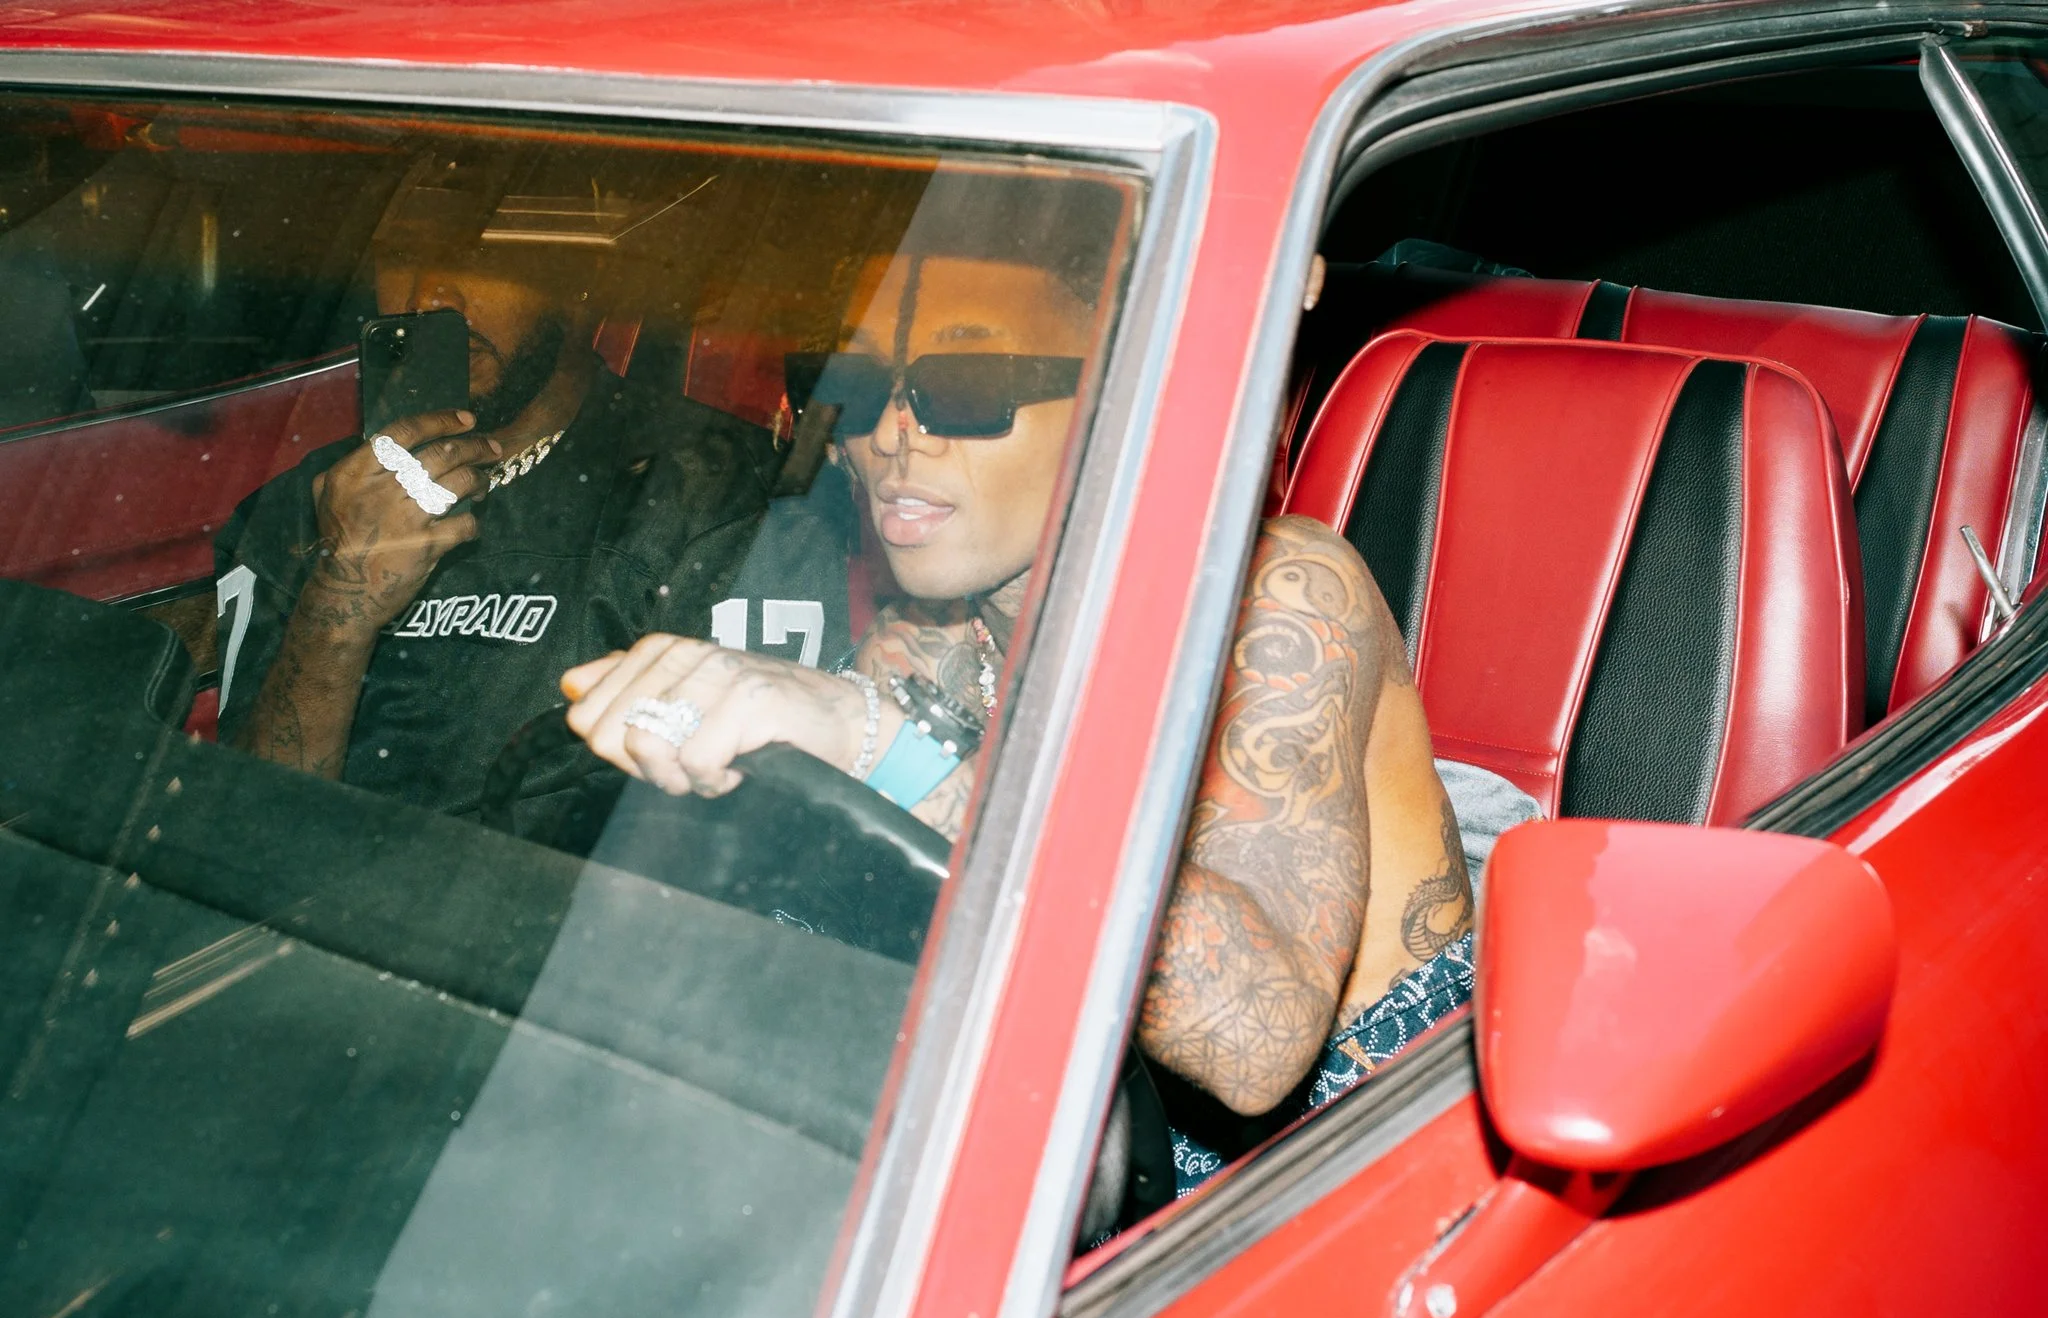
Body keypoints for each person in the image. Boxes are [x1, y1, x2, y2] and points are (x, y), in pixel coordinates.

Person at [559, 206, 1542, 1143]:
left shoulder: (1275, 595)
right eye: (851, 380)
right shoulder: (933, 634)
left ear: (1118, 397)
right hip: (1071, 1136)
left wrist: (872, 741)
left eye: (967, 386)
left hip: (1347, 1162)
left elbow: (1255, 1046)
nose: (892, 432)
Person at [213, 152, 785, 837]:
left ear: (583, 278)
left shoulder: (711, 492)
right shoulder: (301, 508)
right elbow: (244, 830)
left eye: (477, 255)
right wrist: (338, 601)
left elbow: (728, 840)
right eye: (403, 252)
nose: (431, 297)